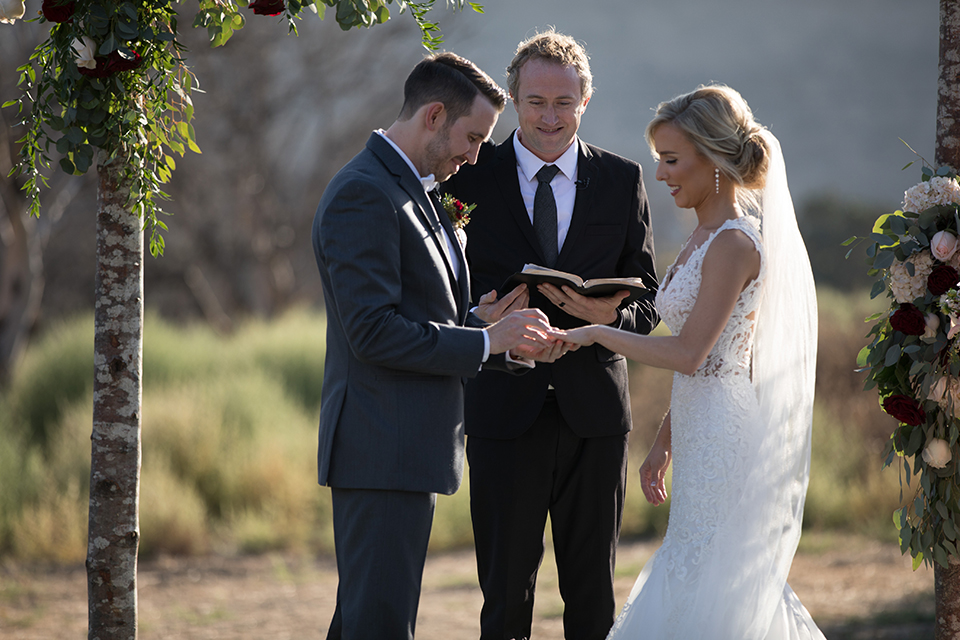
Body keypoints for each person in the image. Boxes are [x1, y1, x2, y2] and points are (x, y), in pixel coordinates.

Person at [311, 52, 566, 640]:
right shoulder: (365, 193)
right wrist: (481, 344)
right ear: (433, 116)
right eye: (473, 137)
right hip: (381, 449)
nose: (476, 155)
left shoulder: (409, 186)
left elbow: (413, 310)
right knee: (379, 624)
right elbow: (372, 331)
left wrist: (481, 322)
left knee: (364, 621)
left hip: (404, 448)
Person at [560, 85, 825, 640]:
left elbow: (690, 354)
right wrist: (663, 443)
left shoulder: (734, 244)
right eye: (660, 159)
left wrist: (594, 333)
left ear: (715, 160)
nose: (660, 174)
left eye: (672, 160)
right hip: (699, 424)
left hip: (726, 432)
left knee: (716, 568)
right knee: (695, 558)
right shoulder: (702, 237)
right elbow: (704, 360)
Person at [441, 31, 659, 640]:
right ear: (512, 100)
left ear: (585, 101)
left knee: (592, 598)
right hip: (501, 410)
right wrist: (479, 313)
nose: (550, 116)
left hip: (595, 414)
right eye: (536, 101)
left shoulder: (622, 180)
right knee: (504, 597)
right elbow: (436, 293)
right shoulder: (468, 179)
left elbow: (648, 300)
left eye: (564, 102)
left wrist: (607, 318)